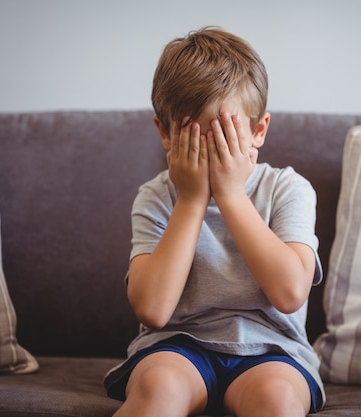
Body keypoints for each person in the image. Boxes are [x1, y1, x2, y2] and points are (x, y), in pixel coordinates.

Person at [104, 26, 324, 417]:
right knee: (160, 387)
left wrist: (232, 196)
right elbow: (153, 310)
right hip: (177, 346)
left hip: (272, 350)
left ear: (258, 132)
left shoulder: (288, 189)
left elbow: (290, 293)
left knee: (276, 400)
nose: (211, 154)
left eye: (224, 138)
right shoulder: (157, 196)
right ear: (166, 133)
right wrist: (190, 200)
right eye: (195, 138)